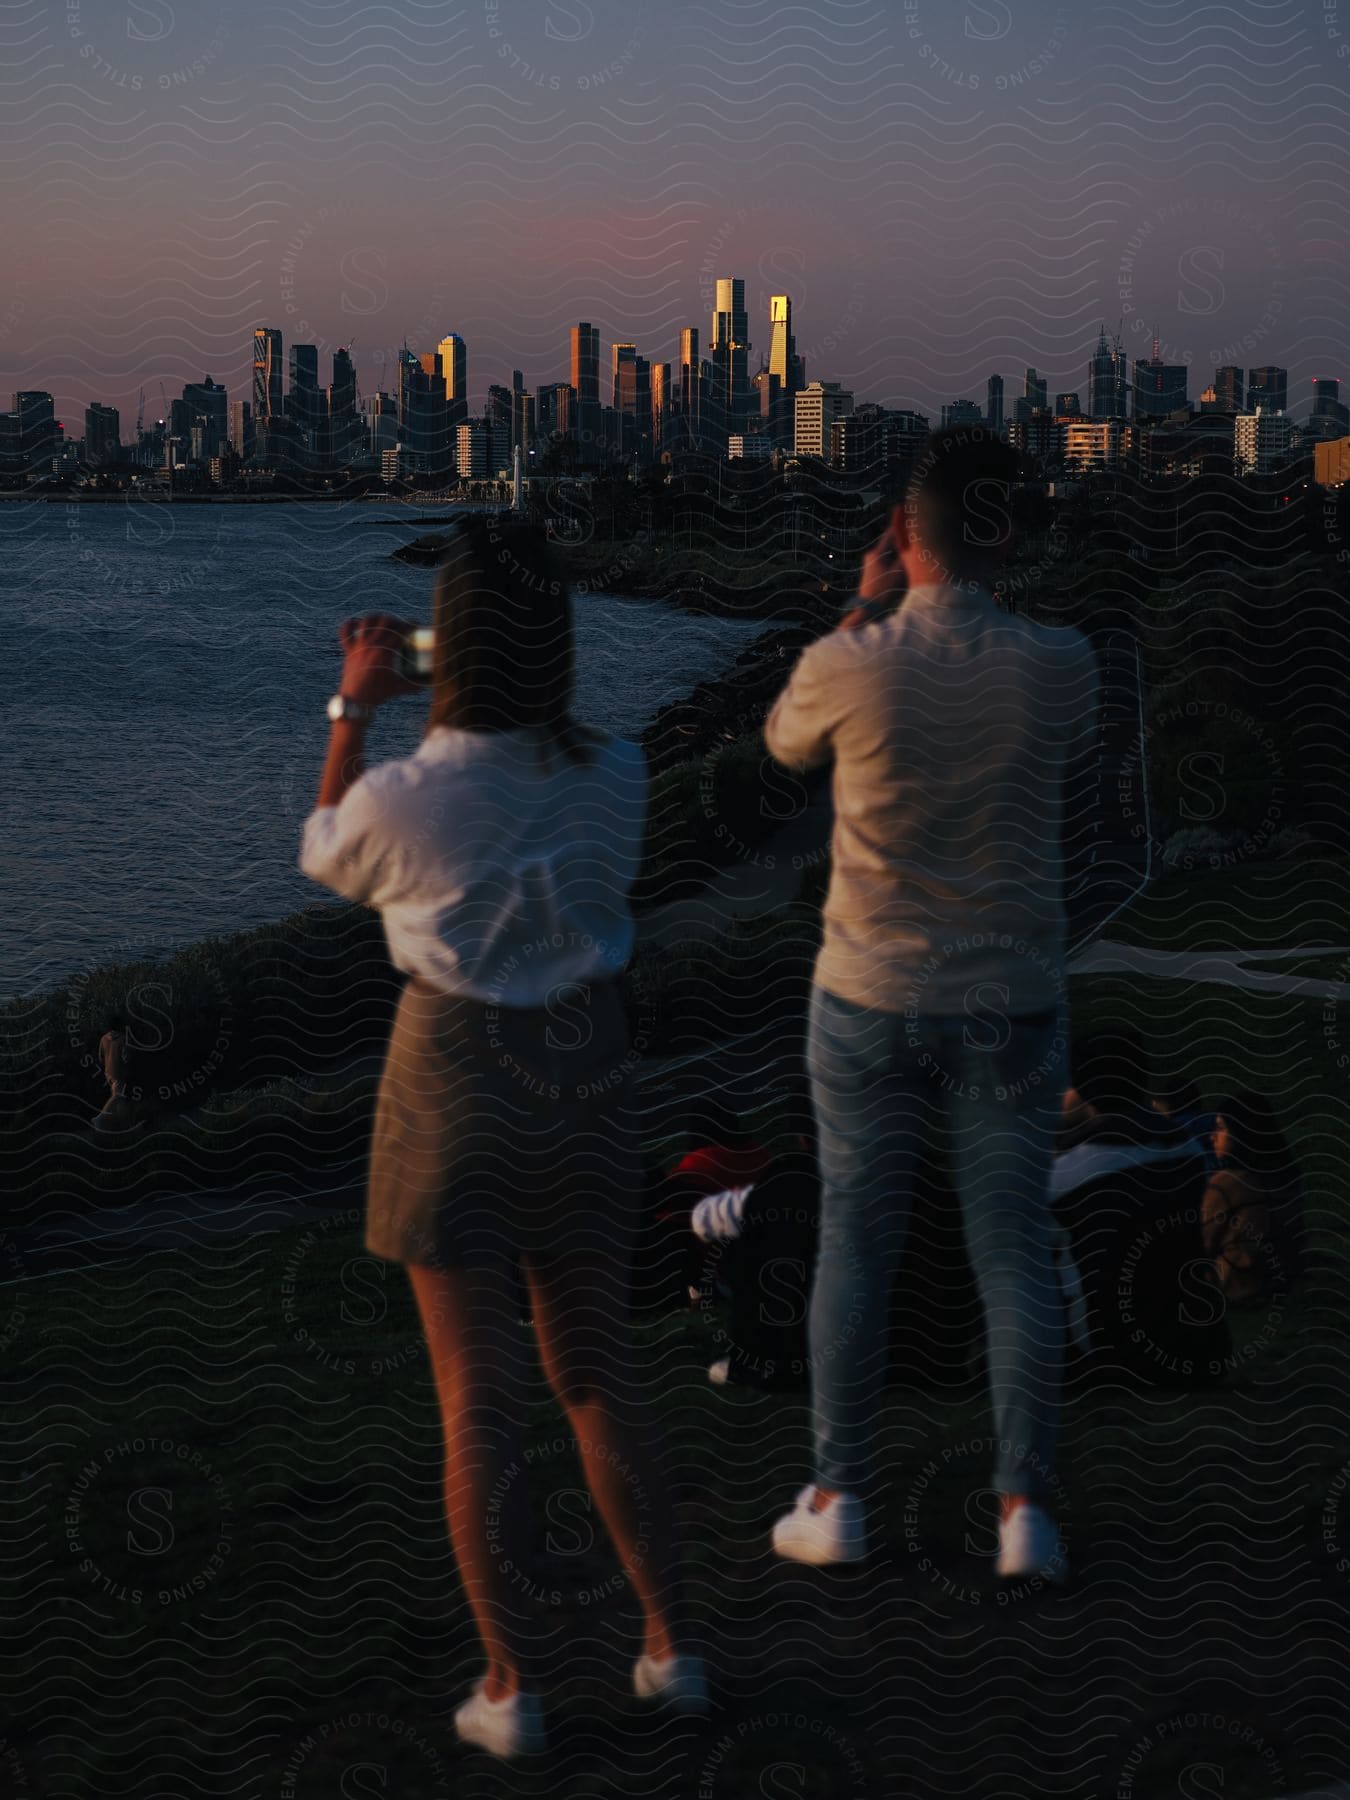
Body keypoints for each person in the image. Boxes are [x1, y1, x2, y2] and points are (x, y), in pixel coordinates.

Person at [298, 521, 702, 1761]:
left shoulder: (411, 789)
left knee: (478, 1399)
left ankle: (510, 1684)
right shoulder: (620, 771)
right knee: (596, 1377)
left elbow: (329, 854)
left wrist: (356, 709)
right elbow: (520, 816)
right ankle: (670, 1648)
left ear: (447, 648)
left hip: (457, 1075)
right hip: (585, 1070)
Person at [761, 426, 1100, 1579]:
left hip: (867, 992)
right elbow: (1072, 748)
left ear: (904, 534)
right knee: (1012, 1248)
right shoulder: (1065, 663)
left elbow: (781, 743)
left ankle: (839, 1494)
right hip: (1013, 995)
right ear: (1002, 532)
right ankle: (1025, 1517)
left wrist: (860, 611)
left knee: (855, 1243)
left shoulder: (850, 662)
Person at [1052, 1032, 1228, 1388]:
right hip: (1194, 1347)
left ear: (1082, 1089)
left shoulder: (1066, 1174)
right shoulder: (1190, 1152)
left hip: (1107, 1356)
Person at [1203, 1091, 1307, 1303]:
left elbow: (1202, 1242)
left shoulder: (1226, 1184)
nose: (1212, 1136)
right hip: (1286, 1276)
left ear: (1241, 1133)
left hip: (1240, 1285)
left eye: (1220, 1128)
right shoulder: (1289, 1177)